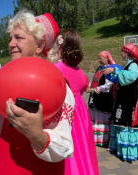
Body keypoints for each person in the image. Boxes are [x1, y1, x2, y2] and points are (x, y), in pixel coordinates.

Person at [0, 10, 75, 175]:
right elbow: (8, 124)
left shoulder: (55, 84)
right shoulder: (8, 77)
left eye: (19, 37)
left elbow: (64, 147)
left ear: (39, 46)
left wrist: (36, 135)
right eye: (10, 38)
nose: (11, 43)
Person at [54, 29, 99, 175]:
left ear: (60, 46)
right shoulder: (79, 71)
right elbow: (84, 85)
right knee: (83, 150)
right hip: (81, 115)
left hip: (66, 114)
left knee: (68, 148)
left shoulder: (56, 69)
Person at [103, 43, 138, 162]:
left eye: (122, 51)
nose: (121, 53)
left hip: (128, 100)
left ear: (128, 53)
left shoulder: (133, 65)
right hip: (123, 98)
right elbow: (122, 76)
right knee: (119, 121)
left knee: (124, 122)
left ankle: (128, 153)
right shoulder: (128, 64)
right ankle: (119, 149)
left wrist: (115, 70)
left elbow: (131, 76)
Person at [86, 51, 116, 147]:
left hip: (104, 98)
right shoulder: (99, 68)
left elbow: (108, 86)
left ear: (107, 59)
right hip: (95, 96)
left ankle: (103, 140)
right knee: (95, 117)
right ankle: (95, 139)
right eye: (98, 58)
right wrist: (89, 86)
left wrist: (95, 89)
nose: (99, 60)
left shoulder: (110, 69)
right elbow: (94, 80)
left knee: (102, 118)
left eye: (101, 58)